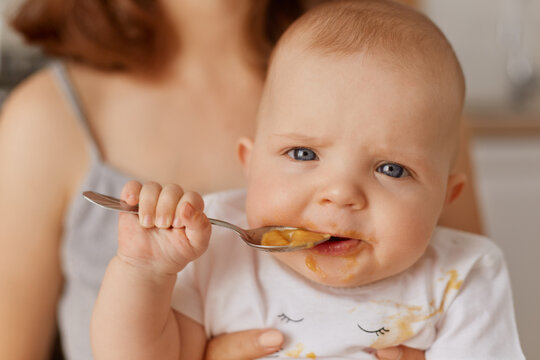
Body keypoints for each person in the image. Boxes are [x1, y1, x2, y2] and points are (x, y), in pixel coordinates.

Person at [0, 1, 471, 360]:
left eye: (390, 169)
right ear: (248, 159)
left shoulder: (412, 91)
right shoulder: (217, 261)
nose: (341, 194)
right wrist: (144, 274)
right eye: (302, 154)